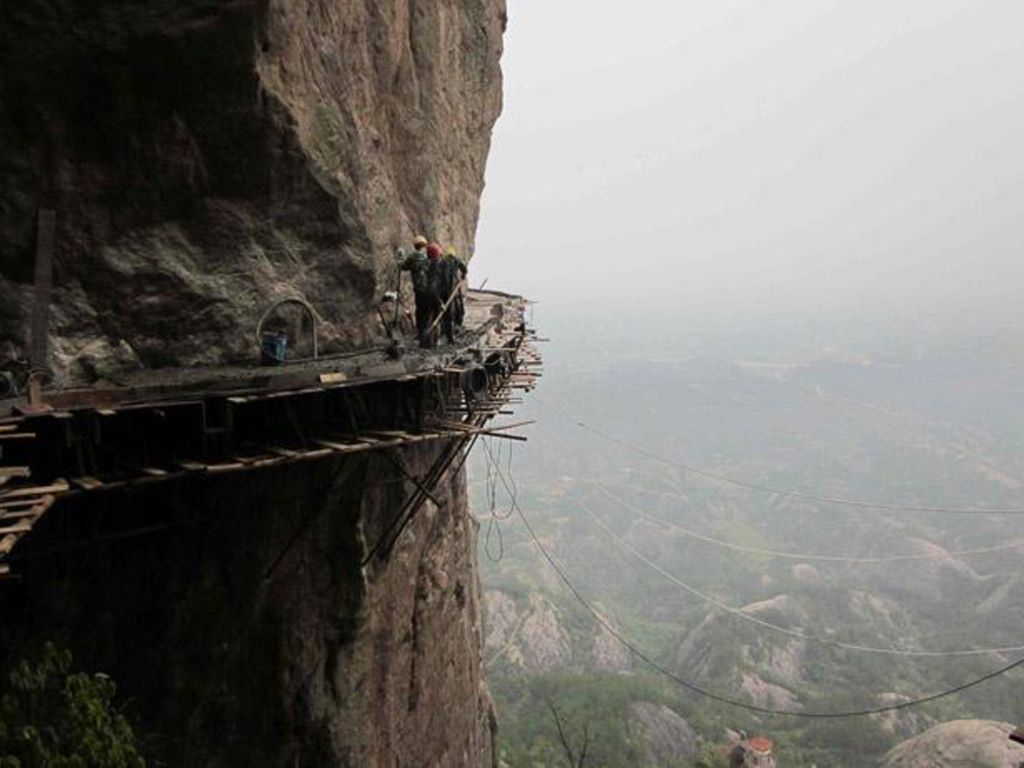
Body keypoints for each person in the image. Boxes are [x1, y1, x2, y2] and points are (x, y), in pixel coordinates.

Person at [396, 235, 435, 347]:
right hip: (429, 289)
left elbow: (403, 267)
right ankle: (426, 335)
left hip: (418, 289)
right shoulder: (428, 257)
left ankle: (420, 332)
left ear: (415, 246)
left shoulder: (412, 257)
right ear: (424, 245)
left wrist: (400, 257)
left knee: (420, 310)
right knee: (428, 312)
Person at [442, 246, 469, 330]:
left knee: (447, 307)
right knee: (458, 306)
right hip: (454, 288)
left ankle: (447, 325)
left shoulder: (443, 262)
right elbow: (464, 269)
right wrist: (463, 275)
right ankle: (457, 323)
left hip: (444, 288)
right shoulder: (456, 260)